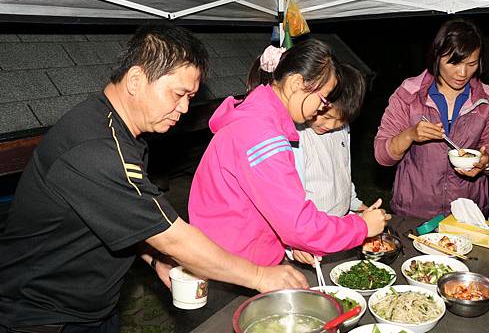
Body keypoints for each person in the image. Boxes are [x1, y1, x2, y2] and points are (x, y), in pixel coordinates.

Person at [0, 24, 307, 333]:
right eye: (178, 94)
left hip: (92, 308)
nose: (185, 108)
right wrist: (258, 275)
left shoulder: (121, 134)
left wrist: (154, 259)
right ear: (136, 80)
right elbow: (174, 237)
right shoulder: (96, 149)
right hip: (41, 315)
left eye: (190, 97)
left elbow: (119, 218)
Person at [188, 40, 389, 267]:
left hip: (242, 258)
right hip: (231, 266)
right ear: (296, 83)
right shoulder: (261, 134)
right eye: (323, 99)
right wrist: (361, 227)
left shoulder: (262, 119)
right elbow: (298, 224)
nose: (320, 110)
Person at [374, 19, 489, 219]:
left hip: (466, 215)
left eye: (471, 64)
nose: (462, 73)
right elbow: (382, 156)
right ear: (437, 56)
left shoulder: (488, 101)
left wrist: (486, 163)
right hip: (413, 213)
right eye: (453, 63)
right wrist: (409, 135)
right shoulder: (409, 95)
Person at [293, 63, 369, 216]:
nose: (331, 125)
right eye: (327, 117)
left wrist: (356, 203)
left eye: (340, 120)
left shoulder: (342, 129)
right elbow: (294, 205)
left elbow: (342, 169)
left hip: (341, 221)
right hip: (316, 227)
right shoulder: (298, 136)